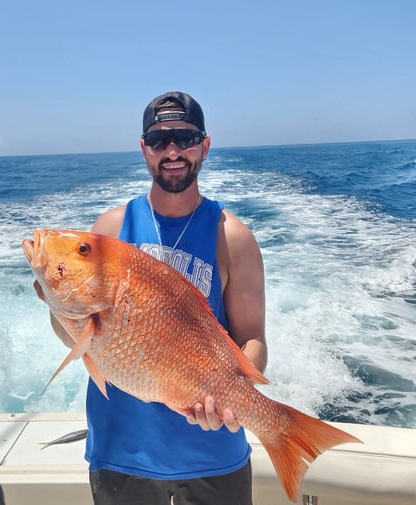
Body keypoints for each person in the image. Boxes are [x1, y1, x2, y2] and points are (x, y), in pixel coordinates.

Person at [45, 91, 267, 505]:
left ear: (205, 145)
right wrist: (59, 306)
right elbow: (76, 338)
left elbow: (253, 340)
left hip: (213, 455)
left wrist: (228, 401)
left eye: (184, 137)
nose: (172, 151)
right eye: (159, 139)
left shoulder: (233, 238)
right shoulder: (109, 230)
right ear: (144, 148)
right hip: (121, 454)